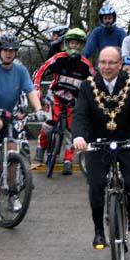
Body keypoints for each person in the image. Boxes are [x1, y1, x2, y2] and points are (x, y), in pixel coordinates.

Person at [72, 46, 130, 249]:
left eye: (111, 63)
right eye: (103, 62)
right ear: (98, 63)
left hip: (128, 139)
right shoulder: (87, 86)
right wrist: (79, 137)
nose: (106, 67)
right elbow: (80, 114)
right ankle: (99, 230)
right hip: (98, 142)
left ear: (119, 64)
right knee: (97, 184)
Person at [0, 32, 46, 210]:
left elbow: (31, 91)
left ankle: (12, 194)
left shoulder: (20, 70)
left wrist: (39, 110)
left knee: (13, 153)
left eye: (12, 51)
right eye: (5, 50)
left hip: (8, 114)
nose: (8, 53)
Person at [33, 28, 95, 174]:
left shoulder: (86, 65)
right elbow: (41, 71)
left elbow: (95, 83)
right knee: (48, 125)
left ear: (82, 46)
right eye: (72, 43)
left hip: (73, 101)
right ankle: (41, 149)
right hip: (55, 96)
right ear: (66, 43)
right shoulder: (58, 58)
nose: (74, 46)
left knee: (72, 130)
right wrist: (37, 88)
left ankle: (68, 160)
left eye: (77, 44)